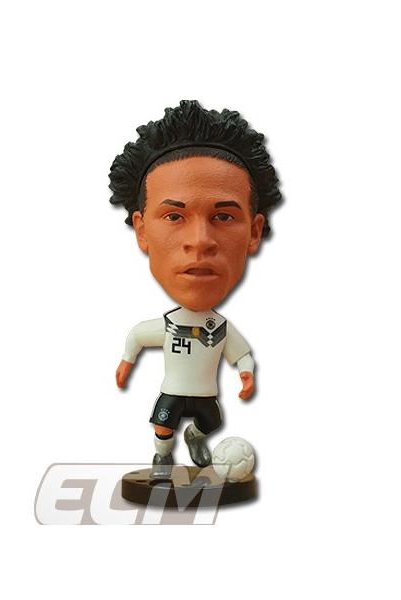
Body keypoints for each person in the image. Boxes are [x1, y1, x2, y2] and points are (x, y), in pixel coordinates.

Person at [109, 100, 282, 477]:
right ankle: (162, 457)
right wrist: (126, 361)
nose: (200, 241)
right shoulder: (168, 324)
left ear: (254, 232)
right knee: (162, 425)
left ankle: (195, 437)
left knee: (211, 422)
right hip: (172, 391)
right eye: (174, 216)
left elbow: (241, 353)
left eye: (224, 216)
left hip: (206, 395)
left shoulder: (220, 328)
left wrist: (246, 372)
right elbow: (138, 336)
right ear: (142, 229)